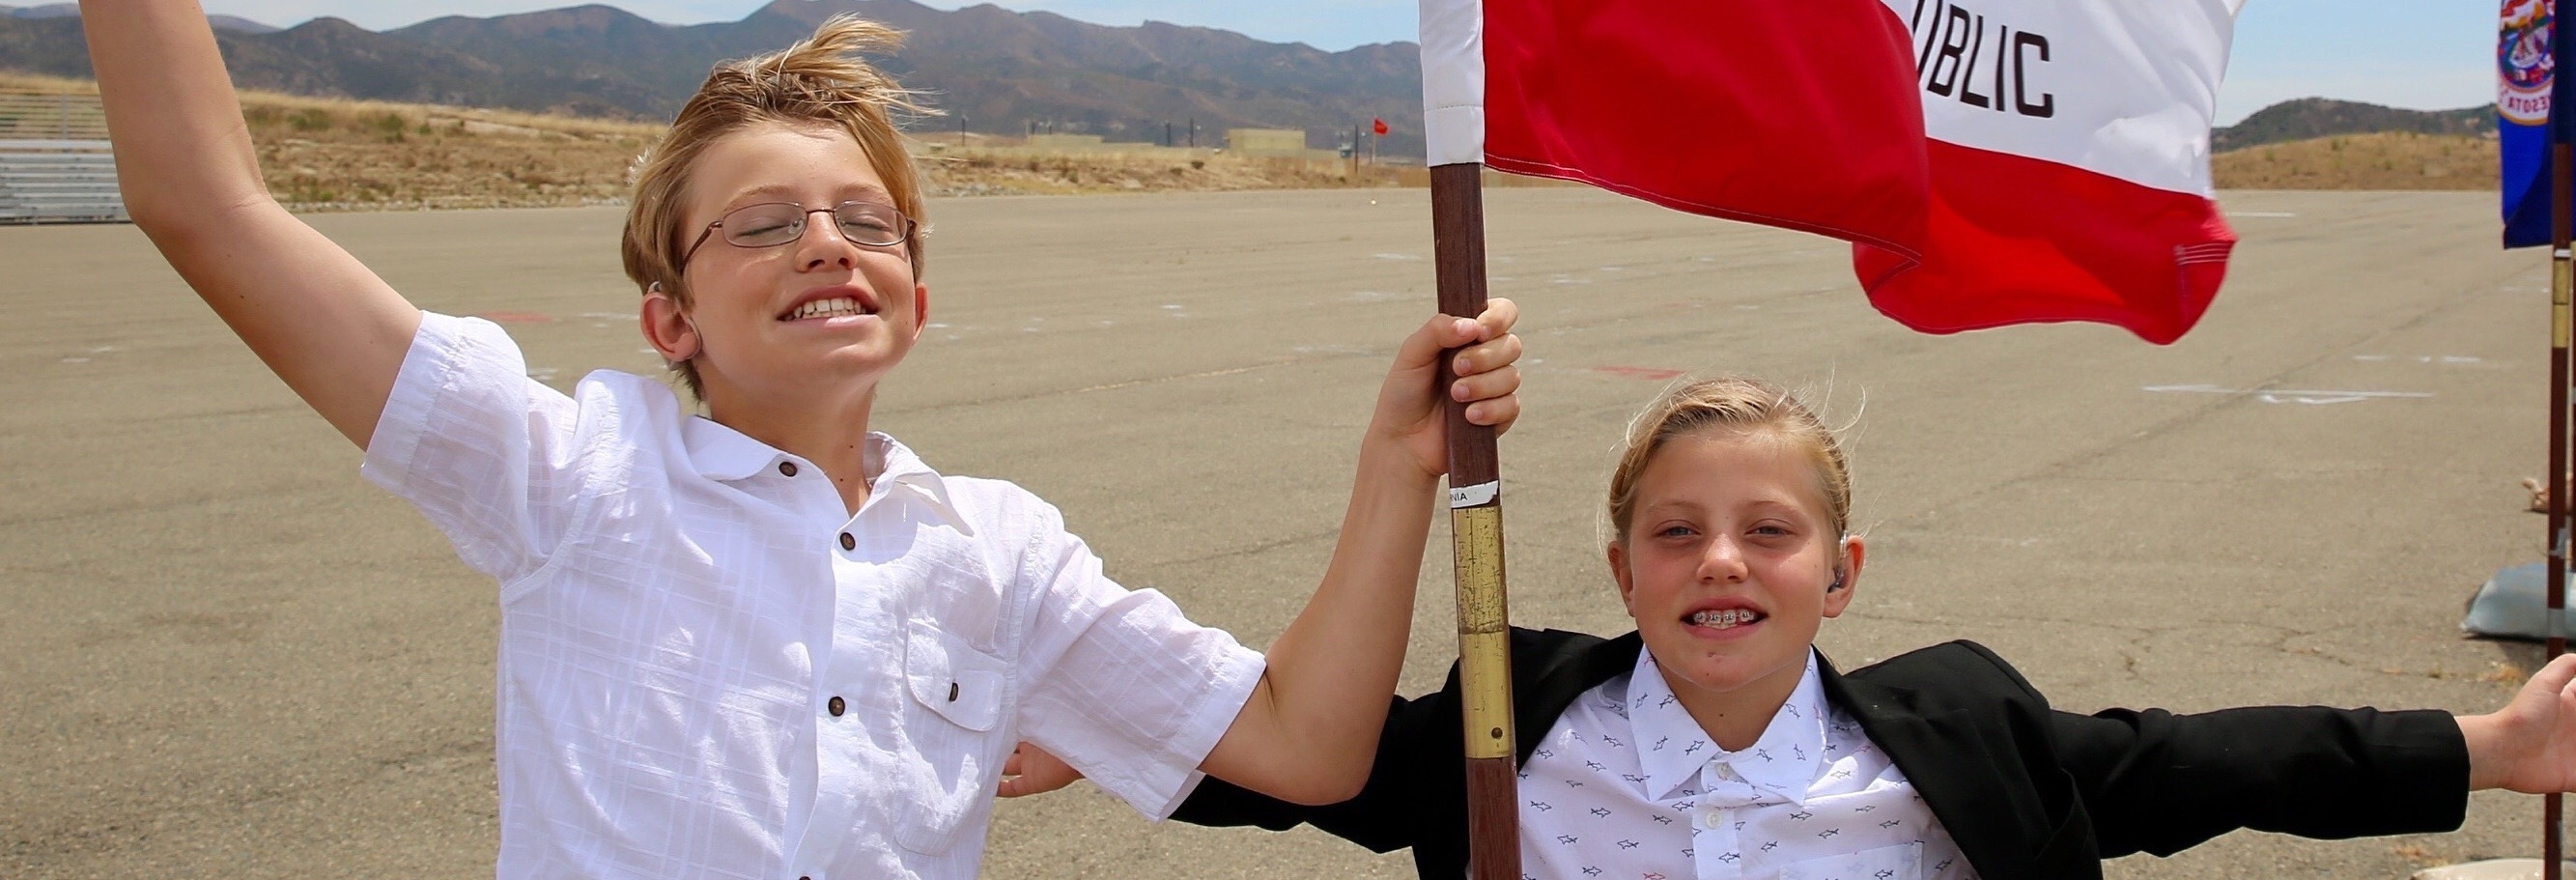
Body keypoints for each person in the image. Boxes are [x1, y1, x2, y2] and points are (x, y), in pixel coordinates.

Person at [79, 6, 1524, 879]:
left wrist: (1396, 467)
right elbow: (210, 208)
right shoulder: (569, 474)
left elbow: (1307, 748)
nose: (825, 244)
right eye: (762, 225)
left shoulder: (1000, 555)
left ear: (914, 294)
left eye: (865, 222)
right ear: (671, 320)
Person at [1006, 377, 2576, 879]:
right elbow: (1312, 754)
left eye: (1768, 532)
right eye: (1675, 531)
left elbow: (2191, 764)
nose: (1724, 560)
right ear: (1626, 569)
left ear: (1838, 575)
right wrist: (1099, 732)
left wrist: (2487, 748)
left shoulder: (1951, 741)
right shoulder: (1515, 734)